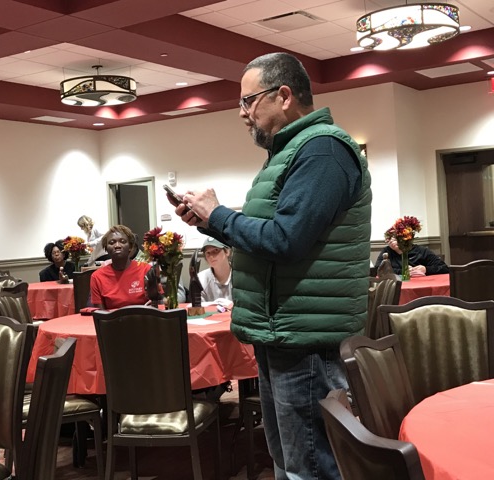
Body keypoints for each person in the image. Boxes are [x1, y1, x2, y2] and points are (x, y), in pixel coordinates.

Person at [172, 52, 371, 480]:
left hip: (305, 340)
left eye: (249, 101)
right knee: (289, 462)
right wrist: (210, 222)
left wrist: (219, 214)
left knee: (311, 467)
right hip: (283, 333)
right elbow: (271, 236)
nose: (243, 113)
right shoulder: (292, 152)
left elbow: (286, 240)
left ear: (283, 95)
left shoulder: (323, 150)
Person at [90, 225, 152, 309]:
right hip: (112, 318)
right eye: (112, 242)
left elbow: (159, 302)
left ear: (130, 247)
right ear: (106, 249)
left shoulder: (146, 269)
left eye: (122, 241)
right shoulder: (97, 277)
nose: (117, 245)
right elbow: (100, 313)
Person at [375, 237, 448, 276]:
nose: (391, 241)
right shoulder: (387, 251)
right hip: (397, 286)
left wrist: (426, 269)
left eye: (394, 237)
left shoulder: (421, 251)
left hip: (421, 284)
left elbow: (444, 268)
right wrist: (403, 272)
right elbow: (378, 269)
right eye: (388, 239)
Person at [197, 237, 232, 302]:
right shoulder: (200, 278)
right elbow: (200, 306)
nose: (211, 256)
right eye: (208, 253)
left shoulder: (239, 276)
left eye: (216, 250)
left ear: (227, 252)